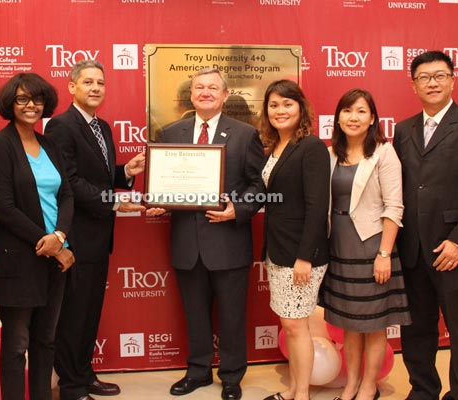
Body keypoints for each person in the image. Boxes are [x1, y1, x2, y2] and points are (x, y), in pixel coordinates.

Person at [154, 67, 265, 400]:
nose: (205, 92)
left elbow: (258, 186)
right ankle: (198, 372)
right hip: (187, 242)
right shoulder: (171, 132)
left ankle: (231, 377)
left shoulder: (246, 134)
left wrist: (238, 209)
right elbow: (163, 181)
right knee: (195, 314)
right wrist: (160, 199)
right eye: (199, 87)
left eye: (213, 88)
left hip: (229, 241)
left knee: (232, 316)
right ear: (190, 95)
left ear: (225, 95)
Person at [393, 50, 458, 400]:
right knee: (417, 328)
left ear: (452, 79)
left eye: (439, 75)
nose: (432, 82)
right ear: (414, 85)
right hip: (412, 249)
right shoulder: (403, 130)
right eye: (424, 77)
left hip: (453, 249)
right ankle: (422, 389)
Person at [44, 59, 146, 400]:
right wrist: (115, 202)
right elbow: (70, 181)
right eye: (87, 82)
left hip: (100, 238)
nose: (95, 88)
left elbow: (99, 178)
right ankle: (71, 386)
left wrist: (125, 173)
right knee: (73, 316)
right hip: (75, 237)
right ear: (71, 87)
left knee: (89, 313)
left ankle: (85, 373)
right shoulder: (60, 126)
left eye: (100, 82)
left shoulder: (102, 126)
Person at [0, 73, 75, 400]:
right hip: (20, 261)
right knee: (16, 345)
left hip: (55, 255)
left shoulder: (49, 144)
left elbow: (67, 195)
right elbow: (4, 208)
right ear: (10, 103)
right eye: (22, 99)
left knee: (45, 340)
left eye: (36, 99)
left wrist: (60, 236)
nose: (30, 105)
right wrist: (49, 244)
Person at [321, 89, 411, 400]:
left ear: (373, 117)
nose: (353, 117)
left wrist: (384, 253)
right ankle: (351, 384)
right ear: (338, 117)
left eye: (361, 111)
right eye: (347, 111)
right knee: (349, 322)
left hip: (372, 246)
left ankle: (369, 387)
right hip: (339, 246)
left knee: (374, 323)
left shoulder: (384, 152)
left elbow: (394, 207)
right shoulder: (331, 152)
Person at [259, 80, 330, 400]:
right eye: (273, 105)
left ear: (301, 107)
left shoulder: (311, 146)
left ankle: (300, 395)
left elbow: (318, 206)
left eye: (287, 104)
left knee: (296, 326)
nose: (280, 110)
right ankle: (295, 389)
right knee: (292, 325)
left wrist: (305, 256)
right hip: (278, 249)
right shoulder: (273, 147)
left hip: (300, 252)